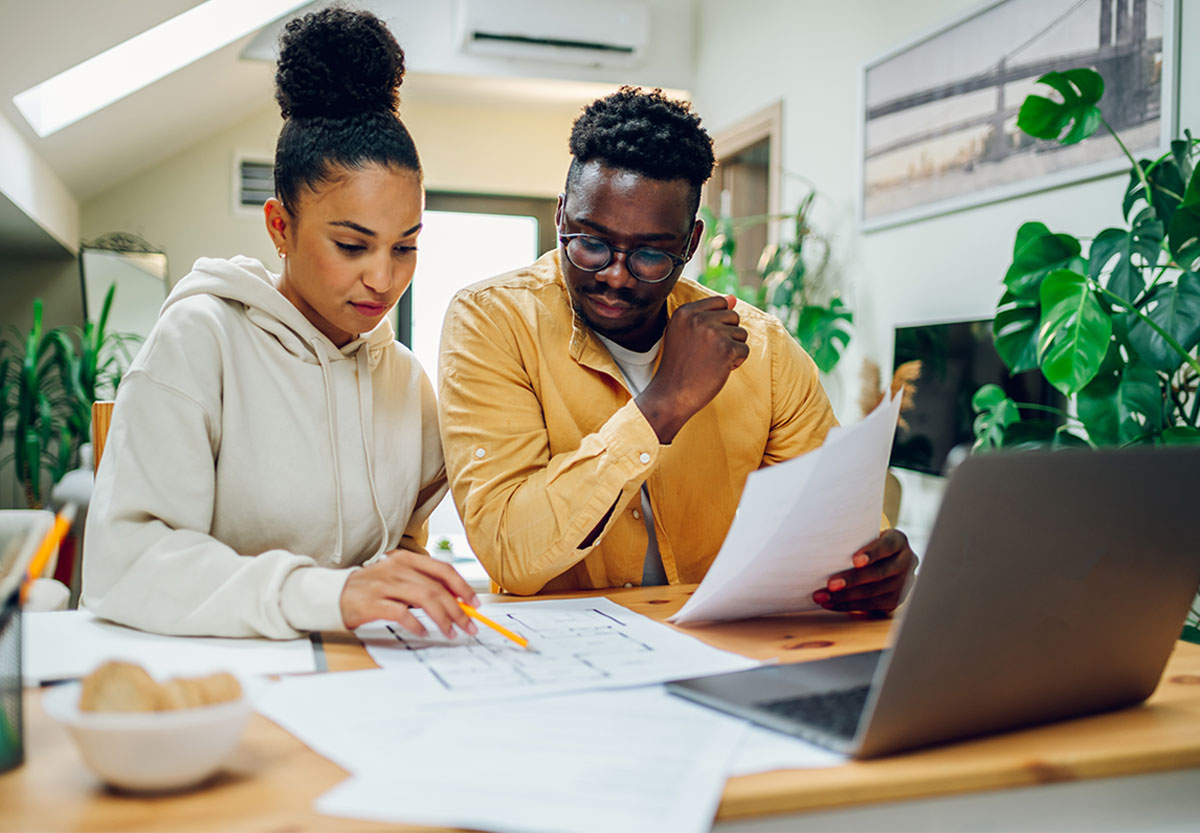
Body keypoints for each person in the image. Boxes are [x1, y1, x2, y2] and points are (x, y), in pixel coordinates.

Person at [83, 8, 479, 640]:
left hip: (355, 677)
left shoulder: (403, 377)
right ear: (280, 228)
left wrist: (408, 573)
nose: (384, 279)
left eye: (405, 246)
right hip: (211, 683)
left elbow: (405, 536)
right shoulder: (200, 340)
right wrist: (326, 594)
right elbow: (124, 565)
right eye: (353, 246)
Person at [438, 87, 916, 612]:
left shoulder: (764, 351)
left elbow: (837, 519)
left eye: (649, 255)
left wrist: (876, 564)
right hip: (562, 660)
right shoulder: (493, 320)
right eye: (591, 244)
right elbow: (510, 553)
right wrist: (662, 404)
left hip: (720, 648)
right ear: (560, 217)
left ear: (690, 244)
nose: (615, 276)